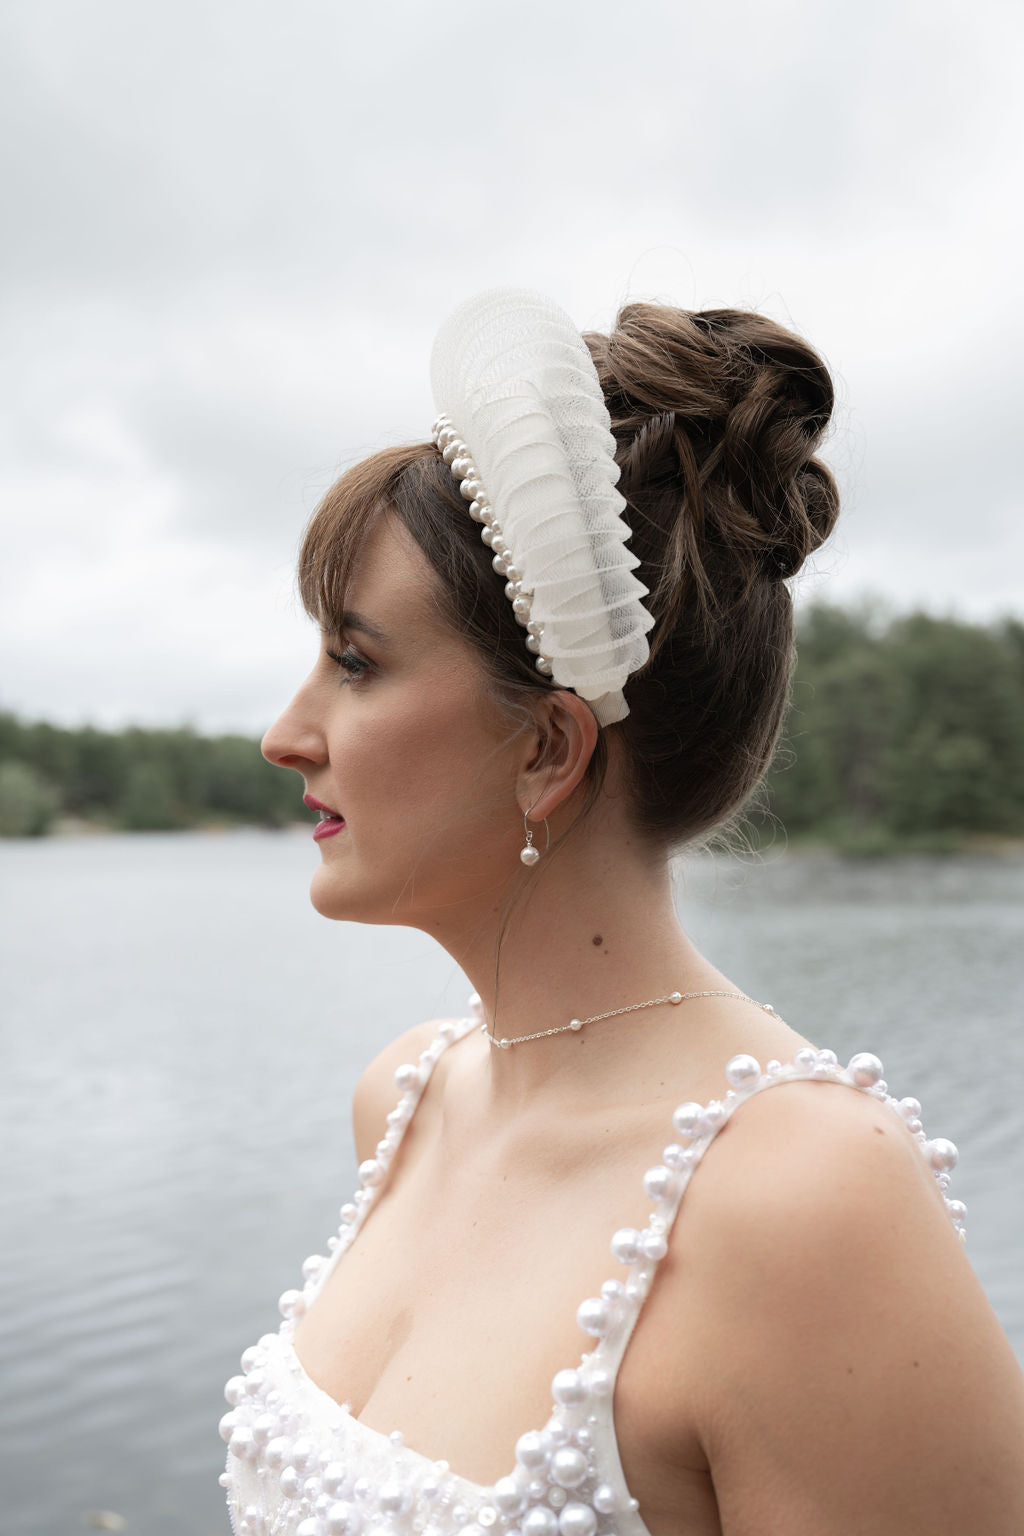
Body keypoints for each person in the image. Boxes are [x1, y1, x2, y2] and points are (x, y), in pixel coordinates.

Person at [220, 289, 1024, 1536]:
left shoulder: (805, 1201)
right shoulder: (406, 1100)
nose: (285, 734)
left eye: (357, 661)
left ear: (548, 746)